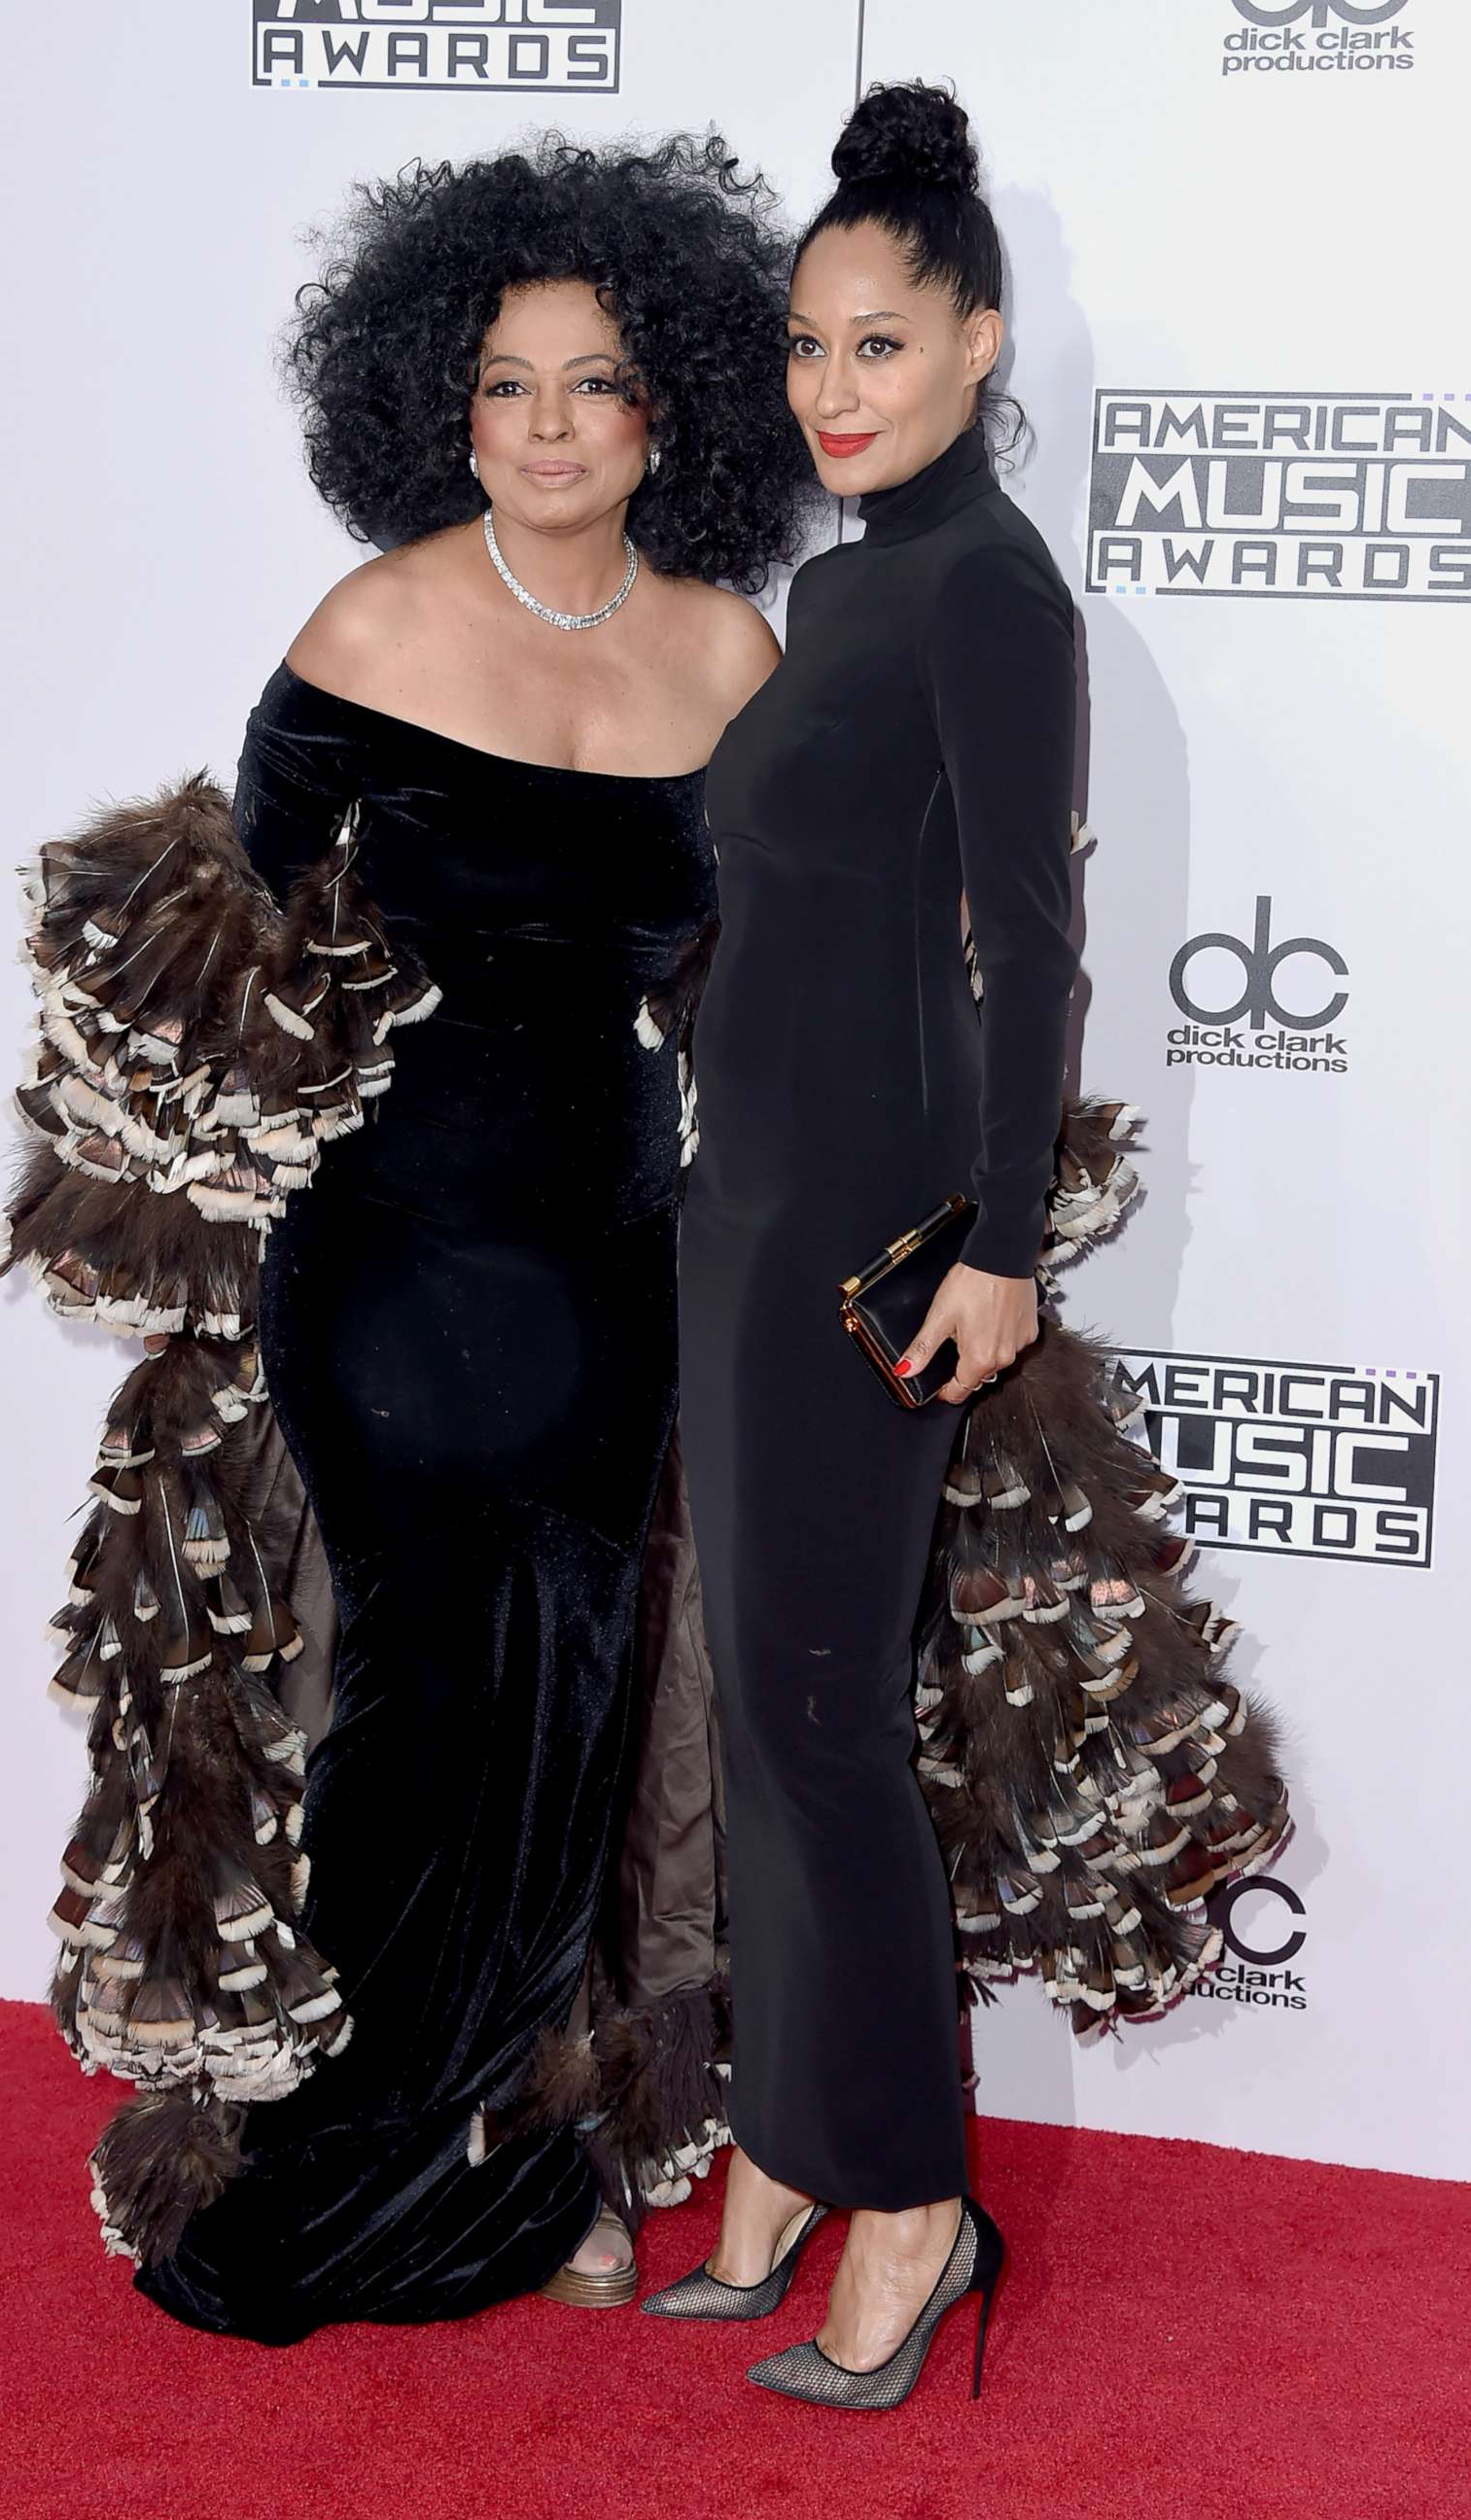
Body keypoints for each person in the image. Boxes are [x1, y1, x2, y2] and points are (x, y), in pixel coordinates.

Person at [0, 134, 812, 2341]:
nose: (548, 428)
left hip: (616, 1263)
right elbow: (225, 963)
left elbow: (771, 980)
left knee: (576, 1719)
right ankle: (345, 2170)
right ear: (439, 409)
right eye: (505, 385)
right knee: (411, 1717)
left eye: (596, 383)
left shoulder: (734, 655)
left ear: (674, 411)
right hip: (393, 1276)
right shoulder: (372, 623)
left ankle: (531, 2156)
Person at [648, 79, 1290, 2409]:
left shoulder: (997, 596)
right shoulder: (835, 586)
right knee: (770, 1703)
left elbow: (1034, 938)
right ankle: (797, 2151)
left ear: (984, 346)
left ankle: (914, 2199)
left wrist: (1004, 1244)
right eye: (812, 346)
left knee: (820, 1726)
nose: (837, 387)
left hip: (877, 1239)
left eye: (884, 346)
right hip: (746, 1208)